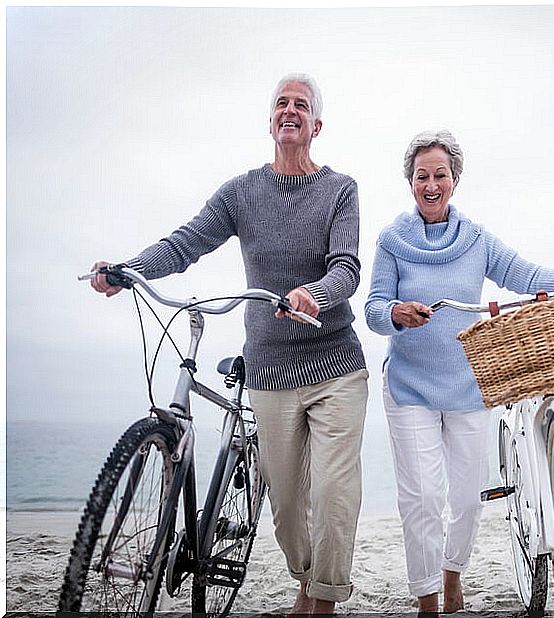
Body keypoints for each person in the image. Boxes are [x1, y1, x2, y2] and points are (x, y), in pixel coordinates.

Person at [90, 73, 369, 615]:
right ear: (270, 122)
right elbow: (186, 242)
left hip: (336, 365)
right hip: (268, 372)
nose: (290, 111)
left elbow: (348, 268)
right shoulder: (242, 193)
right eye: (281, 104)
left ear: (317, 125)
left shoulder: (341, 190)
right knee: (287, 508)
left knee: (333, 496)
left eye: (302, 105)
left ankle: (324, 601)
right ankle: (308, 580)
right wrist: (129, 269)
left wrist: (314, 294)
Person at [364, 129, 554, 614]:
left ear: (454, 180)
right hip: (409, 386)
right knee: (421, 499)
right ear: (409, 182)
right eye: (421, 176)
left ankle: (453, 574)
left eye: (440, 175)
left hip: (469, 385)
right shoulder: (392, 240)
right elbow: (373, 309)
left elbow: (524, 275)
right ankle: (428, 600)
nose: (430, 184)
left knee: (467, 498)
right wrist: (396, 312)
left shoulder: (475, 239)